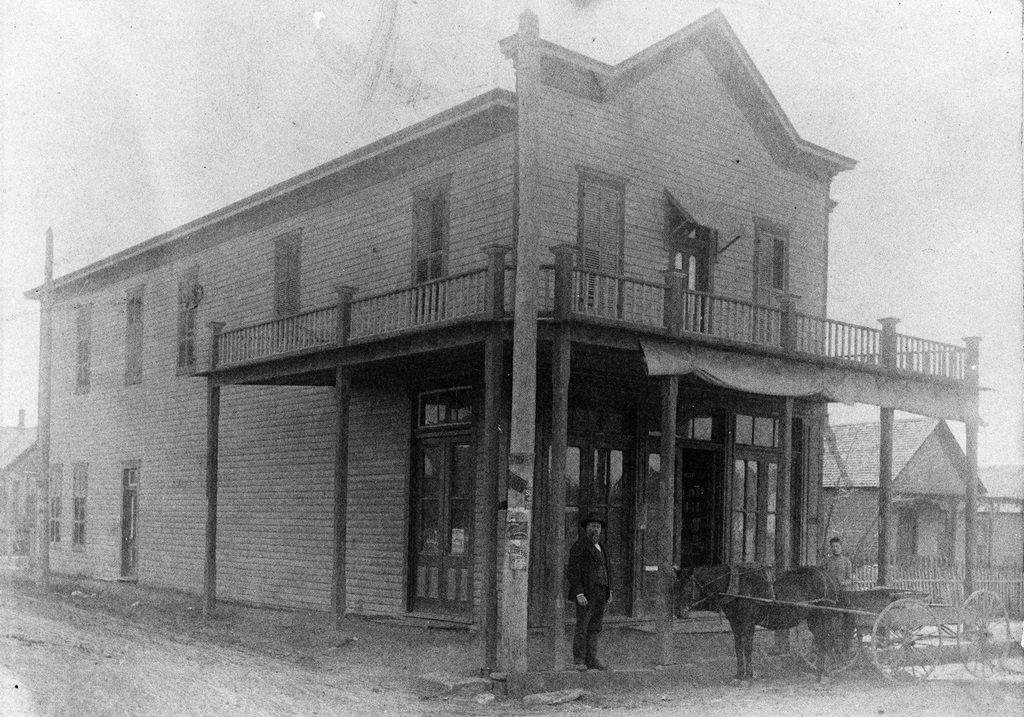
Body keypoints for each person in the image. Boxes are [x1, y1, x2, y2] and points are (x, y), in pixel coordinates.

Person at [566, 511, 612, 671]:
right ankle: (579, 661)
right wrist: (579, 593)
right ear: (586, 528)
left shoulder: (602, 547)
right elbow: (573, 572)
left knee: (595, 627)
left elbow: (607, 570)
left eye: (598, 527)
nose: (595, 530)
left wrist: (609, 591)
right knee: (582, 626)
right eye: (592, 526)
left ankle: (592, 659)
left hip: (601, 592)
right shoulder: (579, 547)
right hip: (586, 593)